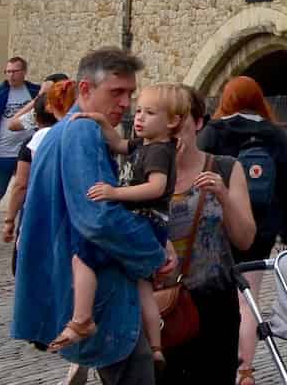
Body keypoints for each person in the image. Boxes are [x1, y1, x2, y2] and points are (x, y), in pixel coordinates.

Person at [13, 47, 175, 385]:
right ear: (85, 89)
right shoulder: (82, 132)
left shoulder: (70, 130)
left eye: (130, 94)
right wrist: (154, 252)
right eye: (116, 92)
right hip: (107, 297)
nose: (126, 103)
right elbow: (97, 218)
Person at [50, 84, 190, 367]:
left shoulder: (159, 151)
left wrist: (114, 193)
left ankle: (82, 319)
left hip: (145, 220)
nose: (138, 117)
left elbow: (156, 187)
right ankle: (156, 346)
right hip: (150, 222)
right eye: (138, 111)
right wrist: (100, 120)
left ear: (172, 122)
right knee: (144, 289)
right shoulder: (145, 144)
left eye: (149, 113)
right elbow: (118, 144)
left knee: (84, 252)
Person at [151, 87, 256, 385]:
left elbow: (245, 239)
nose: (171, 135)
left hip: (213, 305)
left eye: (178, 123)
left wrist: (223, 195)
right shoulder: (141, 172)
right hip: (157, 304)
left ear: (197, 123)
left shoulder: (225, 167)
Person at [200, 75, 287, 385]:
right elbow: (285, 188)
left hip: (222, 223)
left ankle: (217, 362)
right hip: (262, 226)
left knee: (216, 297)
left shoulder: (214, 132)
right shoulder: (275, 134)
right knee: (248, 299)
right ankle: (245, 370)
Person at [3, 78, 79, 247]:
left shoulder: (38, 136)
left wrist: (9, 219)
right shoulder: (80, 129)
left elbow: (21, 184)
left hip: (43, 204)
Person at [0, 55, 39, 249]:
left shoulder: (34, 92)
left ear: (24, 72)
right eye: (8, 71)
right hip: (3, 152)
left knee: (27, 193)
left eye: (15, 71)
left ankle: (22, 231)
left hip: (28, 151)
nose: (11, 75)